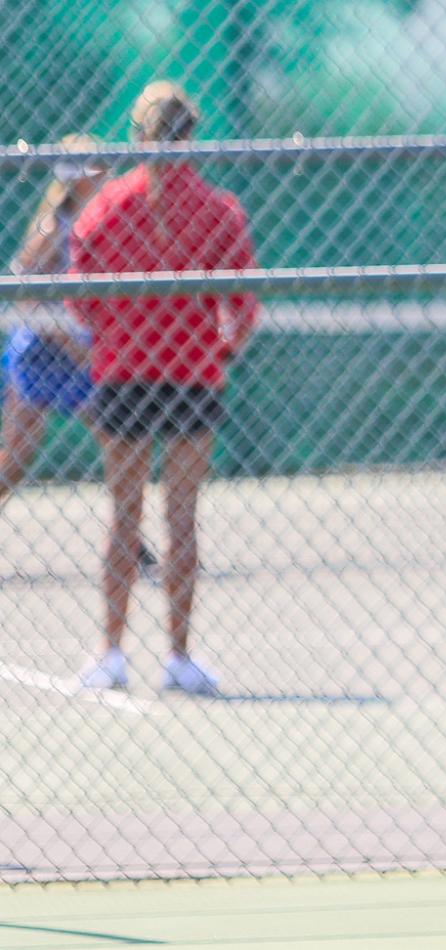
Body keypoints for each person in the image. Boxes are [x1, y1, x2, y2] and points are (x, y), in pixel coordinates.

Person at [73, 82, 259, 695]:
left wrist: (113, 337)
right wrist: (220, 350)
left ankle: (110, 653)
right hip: (192, 375)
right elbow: (243, 304)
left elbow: (80, 296)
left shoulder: (107, 206)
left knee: (123, 515)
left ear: (137, 135)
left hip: (122, 373)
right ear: (191, 135)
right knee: (182, 518)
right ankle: (178, 656)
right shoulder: (217, 208)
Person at [0, 137, 111, 504]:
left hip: (78, 350)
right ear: (76, 178)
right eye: (94, 169)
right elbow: (26, 296)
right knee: (17, 454)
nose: (104, 175)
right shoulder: (54, 228)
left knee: (116, 440)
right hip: (43, 351)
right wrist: (68, 340)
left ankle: (130, 539)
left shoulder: (99, 224)